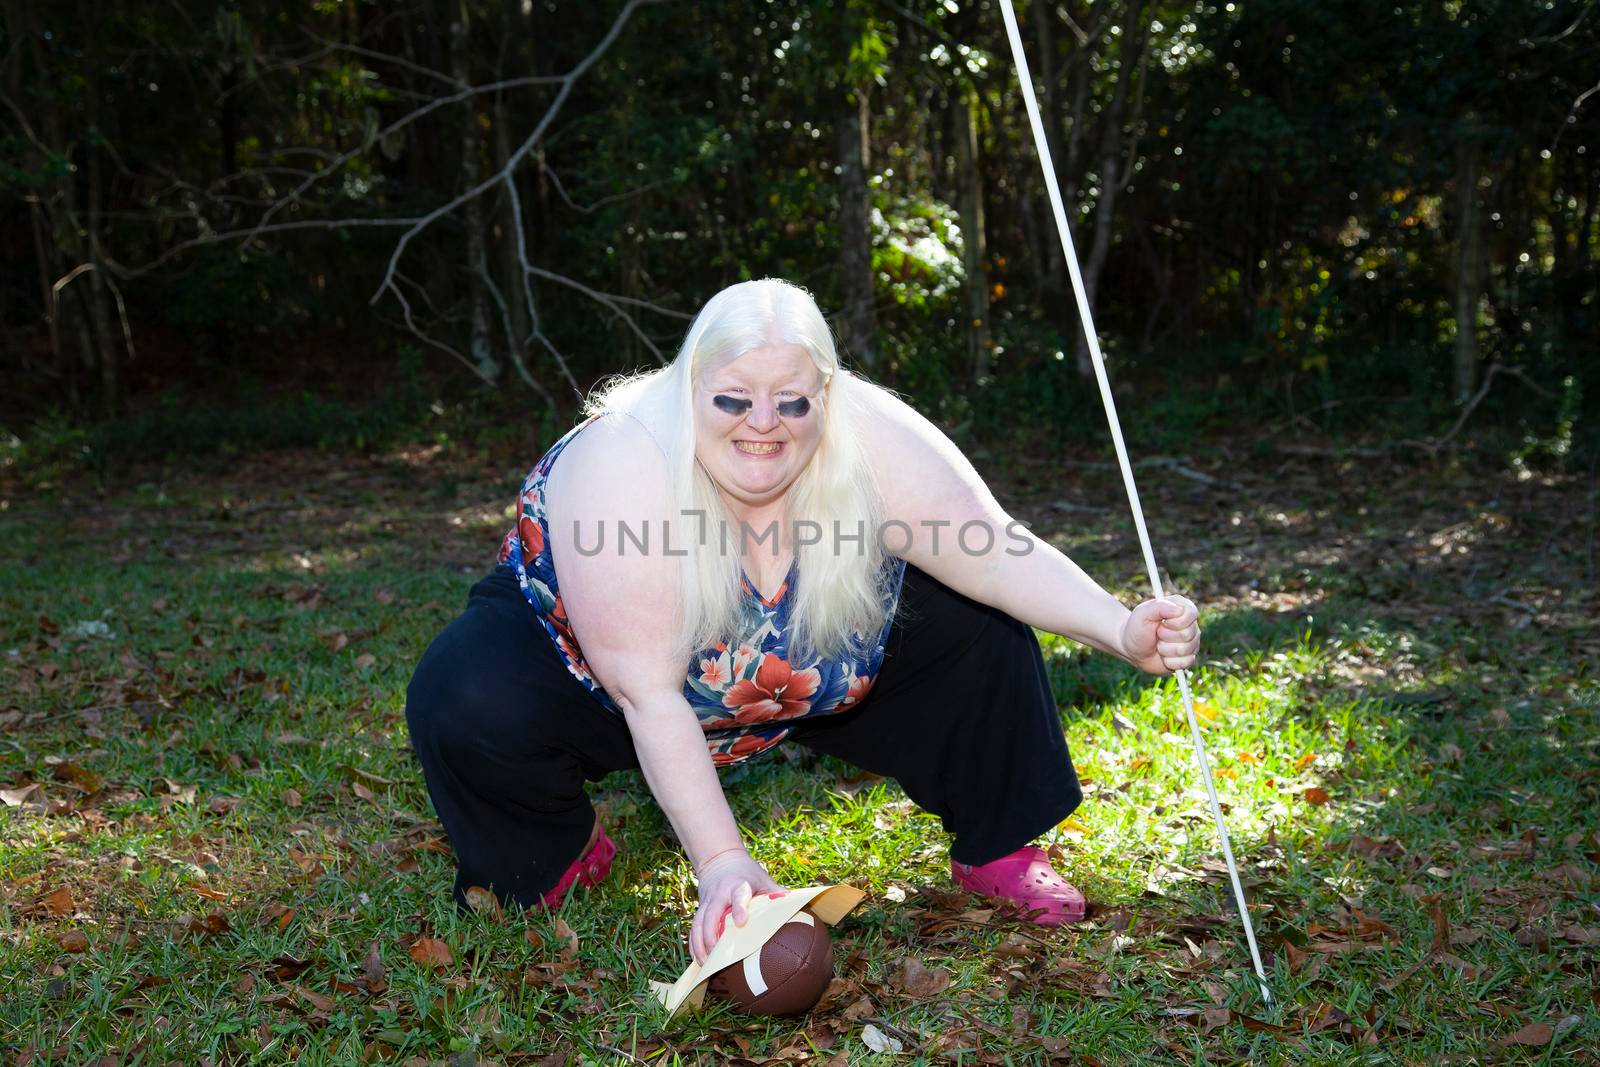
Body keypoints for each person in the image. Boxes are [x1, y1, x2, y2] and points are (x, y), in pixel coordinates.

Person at [405, 278, 1199, 966]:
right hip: (605, 679)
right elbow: (648, 692)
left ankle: (1000, 843)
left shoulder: (875, 439)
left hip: (802, 665)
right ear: (689, 390)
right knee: (464, 693)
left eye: (792, 401)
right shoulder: (624, 466)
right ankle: (557, 848)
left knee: (974, 623)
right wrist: (723, 865)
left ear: (827, 395)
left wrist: (1121, 626)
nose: (764, 423)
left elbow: (996, 554)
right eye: (733, 399)